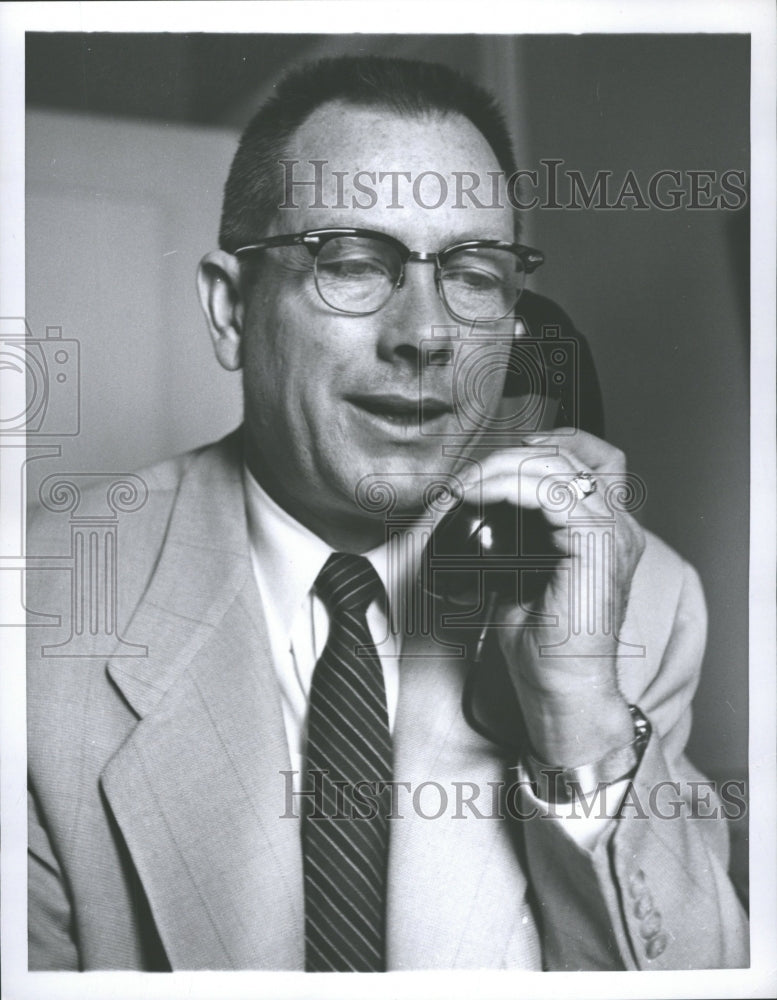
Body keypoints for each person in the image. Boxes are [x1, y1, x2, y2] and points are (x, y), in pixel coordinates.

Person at [26, 55, 748, 972]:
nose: (425, 335)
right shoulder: (37, 621)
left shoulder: (641, 602)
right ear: (230, 309)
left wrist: (579, 722)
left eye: (475, 274)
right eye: (353, 262)